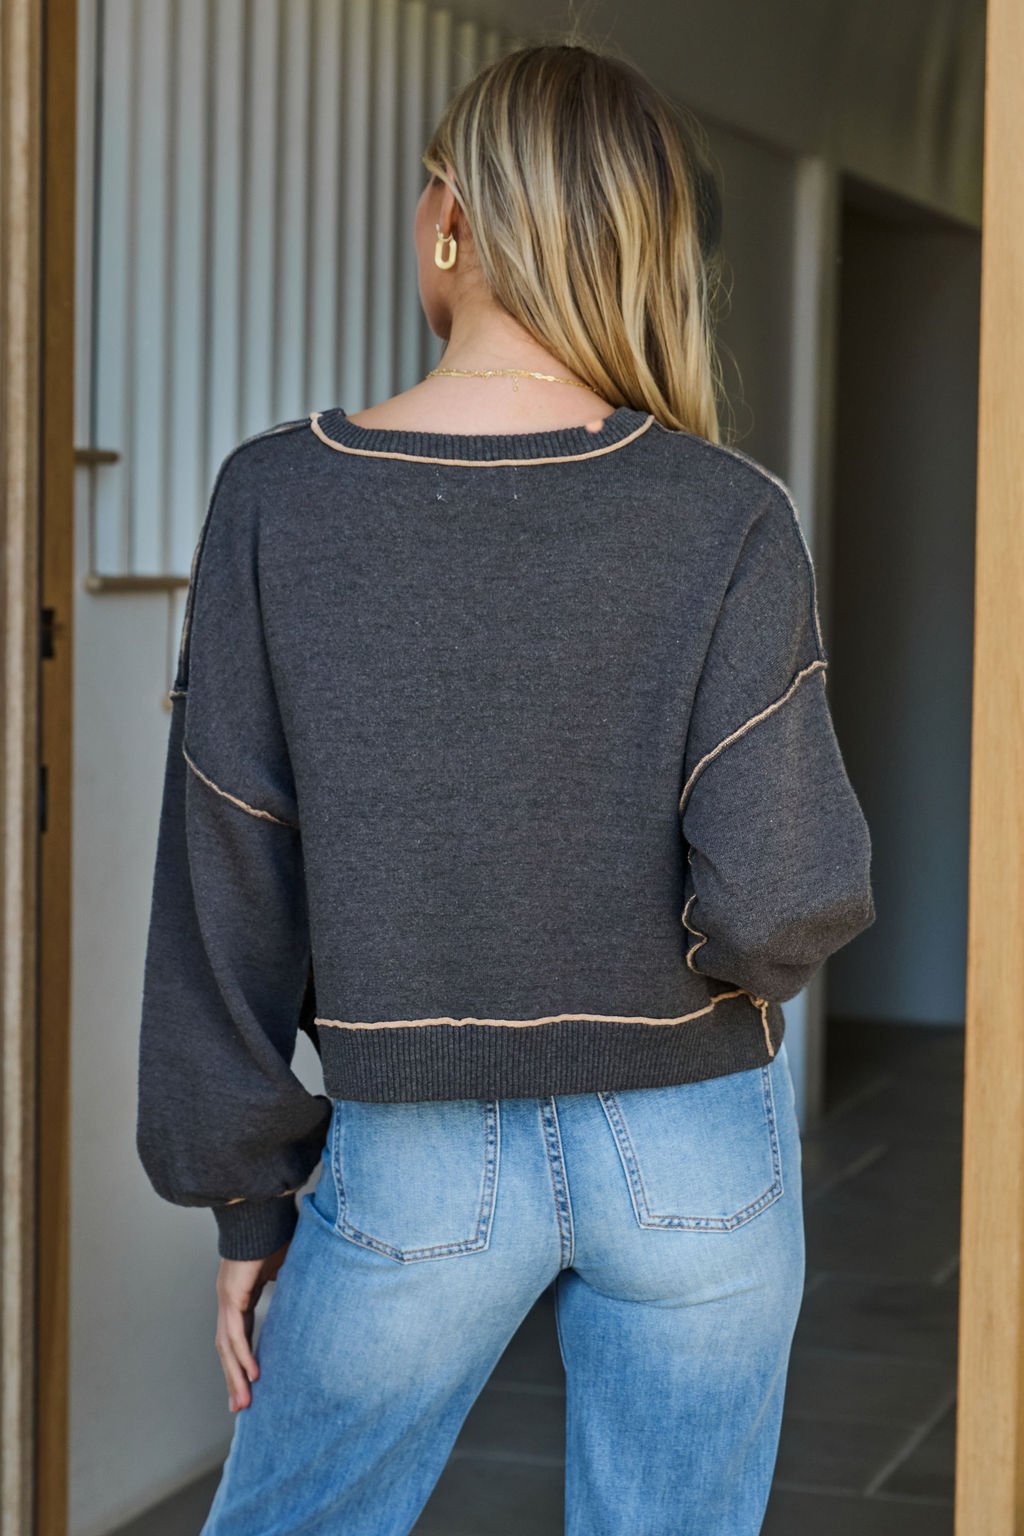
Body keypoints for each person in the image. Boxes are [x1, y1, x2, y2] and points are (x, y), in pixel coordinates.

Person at [136, 36, 875, 1536]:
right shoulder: (726, 512)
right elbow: (784, 892)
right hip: (699, 1149)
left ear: (451, 215)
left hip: (414, 1163)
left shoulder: (277, 498)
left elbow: (230, 882)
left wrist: (245, 1198)